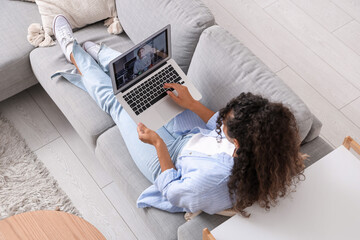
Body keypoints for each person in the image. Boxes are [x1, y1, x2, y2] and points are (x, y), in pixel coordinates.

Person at [52, 15, 306, 217]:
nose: (221, 120)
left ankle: (73, 51)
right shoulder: (264, 145)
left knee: (118, 104)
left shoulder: (209, 183)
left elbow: (173, 191)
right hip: (192, 136)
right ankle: (105, 56)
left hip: (171, 160)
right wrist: (192, 104)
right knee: (148, 81)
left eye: (225, 122)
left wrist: (158, 145)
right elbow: (216, 126)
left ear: (238, 143)